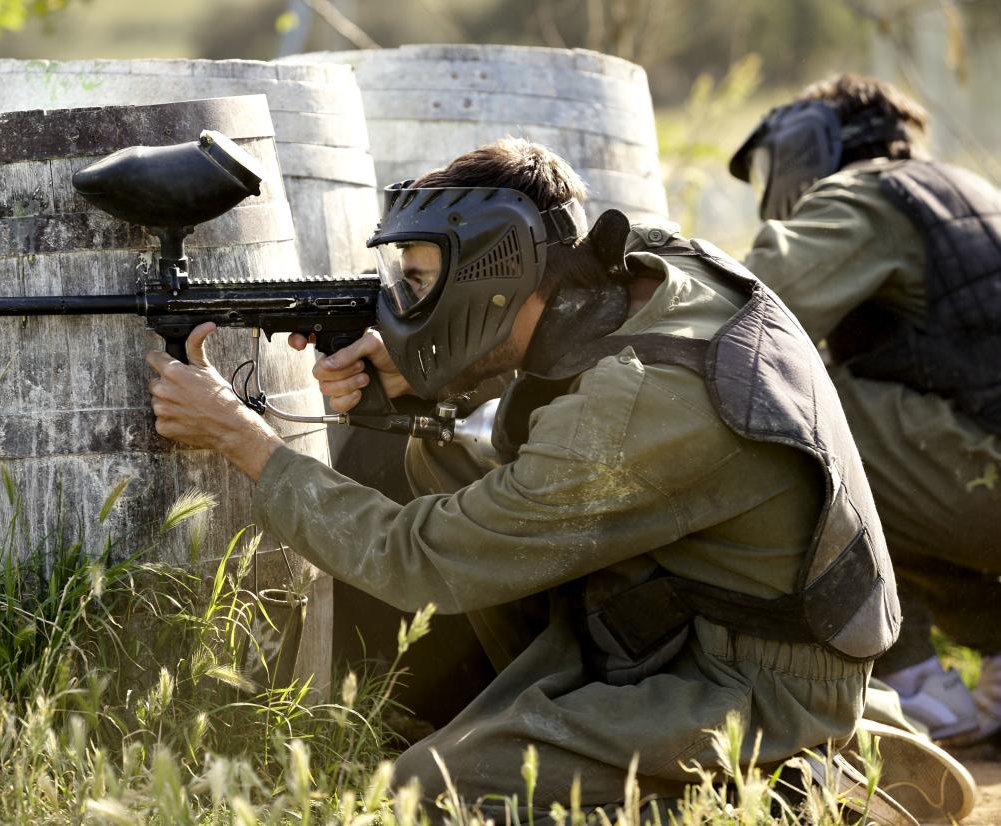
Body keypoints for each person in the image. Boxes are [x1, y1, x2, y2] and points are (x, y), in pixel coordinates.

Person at [145, 138, 955, 822]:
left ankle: (806, 781)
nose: (405, 304)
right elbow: (556, 397)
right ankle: (841, 745)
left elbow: (422, 558)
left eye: (421, 284)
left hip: (736, 684)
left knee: (425, 793)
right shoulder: (645, 270)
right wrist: (434, 376)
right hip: (680, 611)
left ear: (493, 276)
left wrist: (244, 441)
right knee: (414, 462)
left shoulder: (644, 401)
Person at [732, 74, 1001, 746]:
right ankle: (994, 660)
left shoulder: (868, 193)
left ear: (813, 144)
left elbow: (747, 308)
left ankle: (906, 683)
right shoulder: (968, 193)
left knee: (794, 408)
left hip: (983, 486)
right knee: (894, 439)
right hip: (977, 481)